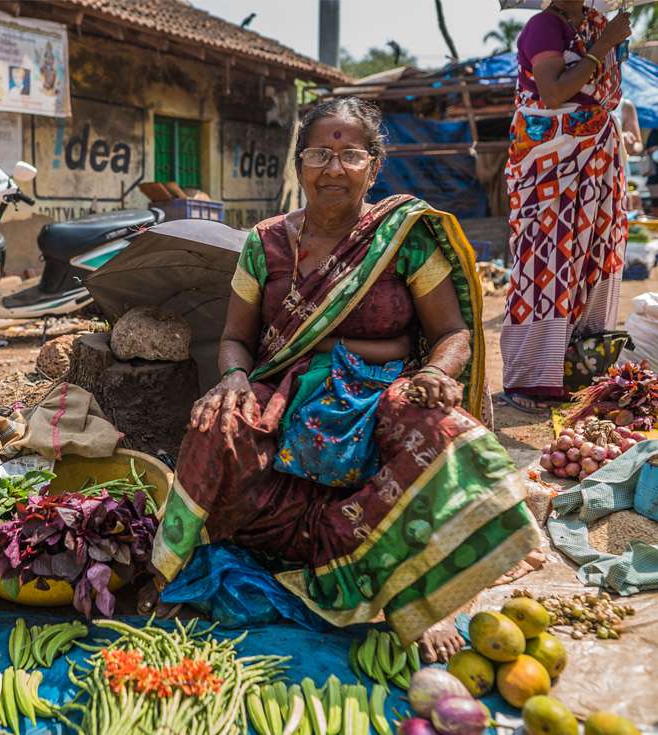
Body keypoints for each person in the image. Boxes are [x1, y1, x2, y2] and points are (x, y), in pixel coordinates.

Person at [141, 98, 540, 664]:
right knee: (219, 421)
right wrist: (231, 376)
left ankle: (417, 592)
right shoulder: (264, 243)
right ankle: (172, 571)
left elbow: (452, 333)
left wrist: (434, 372)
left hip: (379, 394)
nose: (333, 168)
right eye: (319, 154)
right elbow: (236, 337)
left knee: (442, 430)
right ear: (299, 165)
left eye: (350, 154)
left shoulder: (403, 237)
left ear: (374, 167)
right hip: (284, 389)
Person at [500, 0, 633, 412]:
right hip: (551, 162)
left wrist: (611, 43)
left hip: (597, 162)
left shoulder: (596, 26)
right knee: (547, 260)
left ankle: (579, 365)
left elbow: (604, 94)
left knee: (593, 256)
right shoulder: (544, 25)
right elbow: (553, 93)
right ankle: (531, 380)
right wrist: (605, 45)